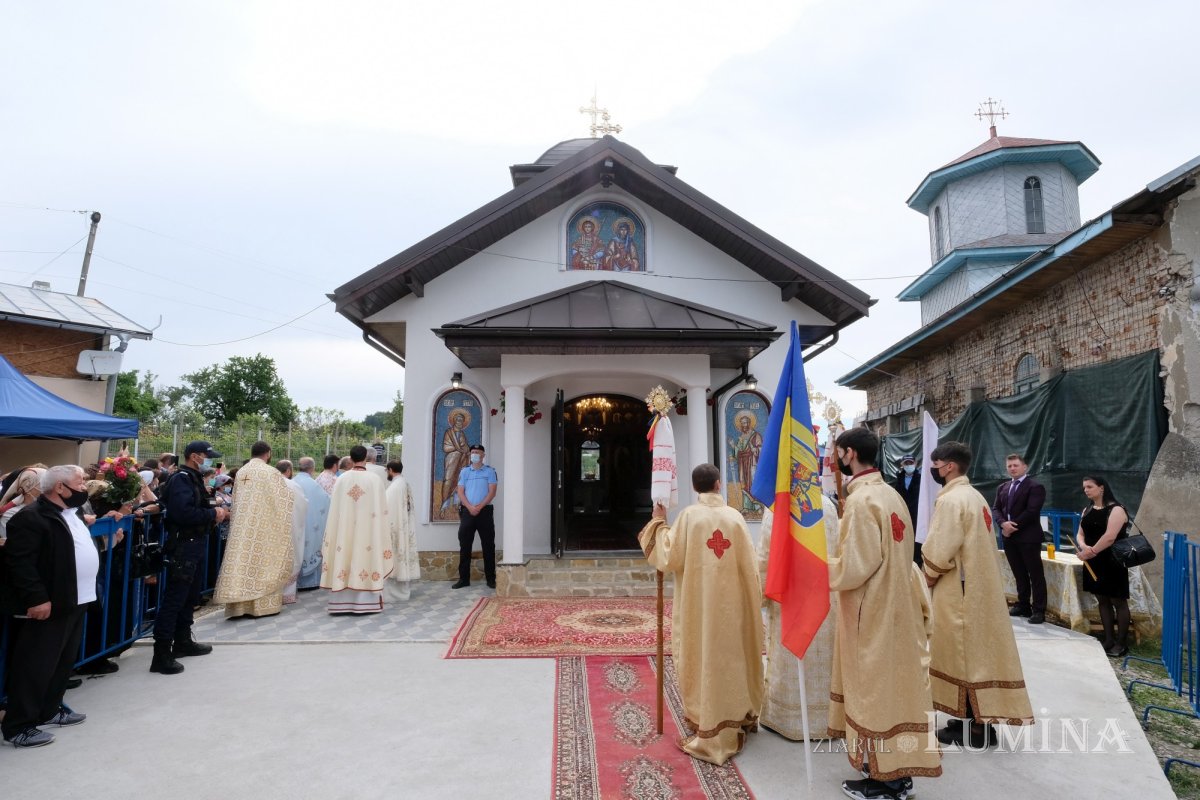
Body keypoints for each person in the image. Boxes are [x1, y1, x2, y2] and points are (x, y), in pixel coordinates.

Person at [827, 428, 940, 800]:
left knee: (873, 692)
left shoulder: (861, 503)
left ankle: (884, 781)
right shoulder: (890, 494)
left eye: (835, 453)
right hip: (897, 606)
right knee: (895, 690)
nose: (834, 460)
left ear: (848, 454)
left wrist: (816, 567)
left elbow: (856, 566)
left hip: (871, 611)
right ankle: (900, 773)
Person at [637, 463, 762, 765]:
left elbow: (667, 556)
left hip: (701, 608)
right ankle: (739, 716)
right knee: (734, 657)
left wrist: (657, 523)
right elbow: (751, 566)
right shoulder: (735, 517)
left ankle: (710, 723)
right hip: (734, 608)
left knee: (705, 656)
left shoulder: (689, 518)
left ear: (695, 488)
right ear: (719, 484)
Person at [922, 441, 1033, 748]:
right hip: (977, 588)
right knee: (975, 655)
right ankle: (973, 723)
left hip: (957, 591)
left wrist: (925, 578)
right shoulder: (975, 496)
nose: (933, 469)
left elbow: (940, 550)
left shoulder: (951, 501)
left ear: (949, 466)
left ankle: (975, 730)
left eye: (936, 464)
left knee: (962, 656)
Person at [1, 465, 97, 747]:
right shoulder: (30, 518)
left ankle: (50, 710)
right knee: (35, 665)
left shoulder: (73, 513)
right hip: (51, 602)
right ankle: (18, 725)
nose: (84, 488)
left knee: (62, 661)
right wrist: (37, 598)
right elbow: (21, 564)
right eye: (80, 484)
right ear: (60, 488)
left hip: (77, 598)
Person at [757, 502, 839, 742]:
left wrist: (760, 595)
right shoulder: (829, 506)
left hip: (790, 597)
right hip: (824, 595)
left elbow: (765, 556)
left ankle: (787, 717)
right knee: (822, 659)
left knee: (790, 659)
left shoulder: (778, 506)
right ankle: (827, 718)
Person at [155, 441, 226, 675]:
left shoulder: (192, 477)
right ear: (195, 456)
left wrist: (211, 514)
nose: (209, 460)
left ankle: (183, 640)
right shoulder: (181, 479)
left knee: (189, 597)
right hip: (184, 545)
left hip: (195, 543)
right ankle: (162, 653)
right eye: (206, 456)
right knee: (175, 598)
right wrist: (212, 513)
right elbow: (182, 512)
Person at [214, 441, 295, 619]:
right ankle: (261, 606)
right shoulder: (270, 472)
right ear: (268, 453)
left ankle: (238, 607)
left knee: (242, 562)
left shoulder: (242, 471)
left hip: (241, 527)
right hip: (263, 528)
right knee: (262, 563)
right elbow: (284, 499)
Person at [320, 445, 393, 614]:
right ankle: (365, 602)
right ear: (366, 457)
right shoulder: (374, 480)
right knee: (367, 556)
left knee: (344, 554)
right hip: (368, 533)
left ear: (351, 459)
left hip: (345, 532)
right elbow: (383, 510)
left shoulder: (341, 479)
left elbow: (334, 510)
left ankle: (341, 603)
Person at [1076, 475, 1132, 656]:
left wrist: (1089, 552)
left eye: (1089, 486)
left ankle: (1122, 643)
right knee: (1102, 599)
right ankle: (1108, 639)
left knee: (1118, 600)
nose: (1086, 490)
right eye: (1084, 487)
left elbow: (1110, 537)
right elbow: (1080, 534)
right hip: (1094, 560)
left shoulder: (1117, 509)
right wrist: (1084, 548)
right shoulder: (1087, 509)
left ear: (1101, 488)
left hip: (1112, 560)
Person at [994, 454, 1047, 624]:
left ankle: (1038, 609)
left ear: (1025, 467)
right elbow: (996, 509)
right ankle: (1023, 604)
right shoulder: (1003, 487)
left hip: (1028, 537)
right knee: (1019, 573)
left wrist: (1011, 526)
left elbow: (1032, 511)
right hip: (1009, 538)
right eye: (1009, 466)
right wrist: (1003, 524)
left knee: (1035, 574)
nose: (1012, 468)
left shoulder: (1035, 487)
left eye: (1015, 465)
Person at [453, 443, 498, 589]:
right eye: (473, 452)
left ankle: (491, 578)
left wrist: (479, 507)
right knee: (465, 545)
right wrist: (470, 507)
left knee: (488, 546)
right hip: (467, 512)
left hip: (484, 512)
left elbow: (492, 492)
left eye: (478, 452)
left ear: (483, 455)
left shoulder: (490, 471)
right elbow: (460, 491)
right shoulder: (465, 471)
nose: (475, 454)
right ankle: (464, 579)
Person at [385, 460, 421, 601]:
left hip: (396, 528)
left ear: (390, 470)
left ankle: (395, 593)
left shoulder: (395, 487)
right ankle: (402, 590)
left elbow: (387, 508)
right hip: (404, 526)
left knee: (395, 556)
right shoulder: (404, 483)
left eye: (387, 471)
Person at [293, 456, 331, 590]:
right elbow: (327, 502)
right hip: (312, 526)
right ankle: (310, 583)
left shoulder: (292, 482)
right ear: (312, 468)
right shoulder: (313, 484)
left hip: (296, 526)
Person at [275, 460, 309, 605]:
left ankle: (272, 595)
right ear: (288, 470)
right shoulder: (293, 486)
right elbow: (303, 505)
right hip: (290, 527)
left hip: (274, 528)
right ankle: (287, 595)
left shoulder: (271, 484)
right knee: (290, 556)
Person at [891, 454, 923, 565]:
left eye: (911, 463)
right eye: (906, 463)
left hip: (917, 513)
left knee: (917, 538)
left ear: (915, 463)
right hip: (903, 513)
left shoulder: (921, 478)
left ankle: (917, 561)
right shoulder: (899, 478)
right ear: (902, 465)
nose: (909, 465)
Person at [441, 409, 471, 515]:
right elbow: (445, 447)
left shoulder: (462, 434)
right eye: (458, 420)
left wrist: (465, 450)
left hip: (461, 460)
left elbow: (466, 447)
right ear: (454, 421)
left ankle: (457, 504)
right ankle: (444, 505)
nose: (459, 422)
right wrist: (458, 449)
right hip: (451, 459)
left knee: (459, 480)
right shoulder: (449, 433)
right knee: (448, 480)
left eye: (461, 420)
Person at [730, 412, 763, 511]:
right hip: (742, 463)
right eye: (742, 423)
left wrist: (756, 450)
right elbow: (738, 452)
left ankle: (757, 507)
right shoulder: (741, 437)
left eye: (745, 423)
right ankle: (747, 507)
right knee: (744, 482)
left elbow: (762, 449)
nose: (743, 425)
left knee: (752, 483)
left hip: (752, 463)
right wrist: (732, 446)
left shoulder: (755, 435)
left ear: (749, 423)